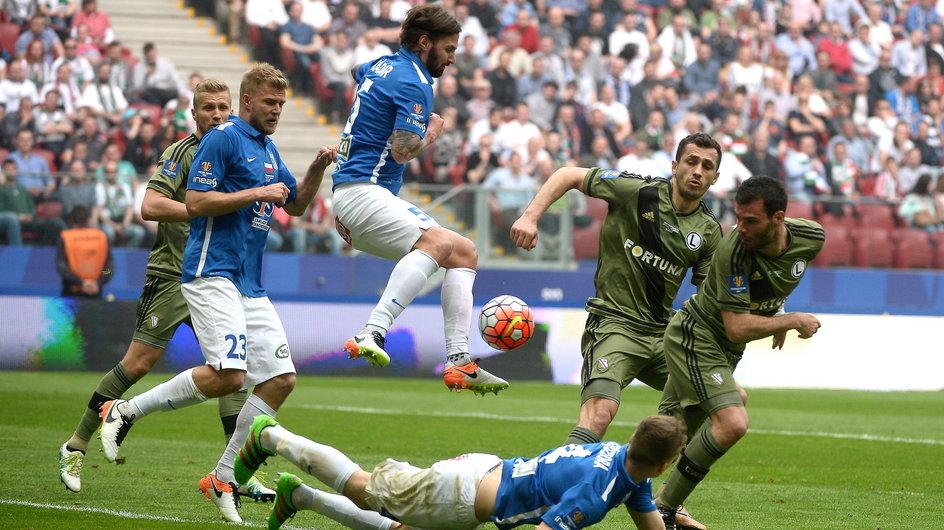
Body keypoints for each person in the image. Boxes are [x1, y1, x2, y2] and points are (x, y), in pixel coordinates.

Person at [97, 64, 336, 523]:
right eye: (270, 102)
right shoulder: (223, 137)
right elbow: (194, 203)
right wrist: (254, 193)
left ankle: (224, 475)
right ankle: (124, 411)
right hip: (212, 271)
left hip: (250, 281)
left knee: (281, 379)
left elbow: (298, 205)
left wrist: (316, 169)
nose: (277, 111)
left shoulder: (267, 147)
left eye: (282, 104)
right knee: (228, 376)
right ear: (248, 101)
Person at [55, 79, 271, 499]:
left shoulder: (239, 151)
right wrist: (198, 208)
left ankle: (235, 473)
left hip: (220, 278)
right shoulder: (182, 153)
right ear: (193, 114)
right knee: (137, 365)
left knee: (233, 372)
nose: (216, 114)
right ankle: (75, 445)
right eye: (207, 107)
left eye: (223, 107)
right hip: (173, 275)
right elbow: (150, 206)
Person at [511, 132, 726, 530]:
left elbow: (708, 298)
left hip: (663, 335)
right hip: (614, 323)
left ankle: (665, 503)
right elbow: (568, 174)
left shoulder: (710, 231)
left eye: (707, 166)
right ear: (675, 165)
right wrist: (529, 216)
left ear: (714, 178)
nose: (697, 171)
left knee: (712, 400)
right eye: (691, 161)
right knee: (600, 413)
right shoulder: (636, 191)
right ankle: (553, 497)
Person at [331, 4, 508, 395]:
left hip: (352, 195)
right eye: (448, 48)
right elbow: (401, 151)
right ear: (424, 42)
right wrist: (432, 131)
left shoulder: (378, 65)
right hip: (363, 192)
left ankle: (459, 361)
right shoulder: (416, 82)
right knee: (438, 241)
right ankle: (372, 332)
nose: (452, 58)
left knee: (463, 252)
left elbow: (356, 74)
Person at [654, 175, 823, 529]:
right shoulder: (734, 250)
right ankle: (666, 507)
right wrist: (789, 320)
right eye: (738, 217)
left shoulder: (811, 237)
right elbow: (737, 327)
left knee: (664, 439)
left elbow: (776, 276)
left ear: (778, 218)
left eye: (751, 221)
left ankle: (607, 480)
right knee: (733, 420)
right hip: (695, 336)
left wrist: (774, 311)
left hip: (725, 351)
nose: (740, 227)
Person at [233, 413, 687, 530]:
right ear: (665, 464)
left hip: (484, 475)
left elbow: (649, 520)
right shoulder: (596, 492)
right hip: (466, 495)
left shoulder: (623, 462)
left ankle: (298, 496)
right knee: (363, 487)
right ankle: (270, 436)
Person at [54, 205, 112, 297]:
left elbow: (62, 266)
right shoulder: (102, 237)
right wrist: (97, 282)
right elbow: (109, 269)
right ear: (88, 219)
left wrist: (81, 283)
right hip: (95, 291)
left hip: (71, 293)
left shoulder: (65, 237)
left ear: (71, 220)